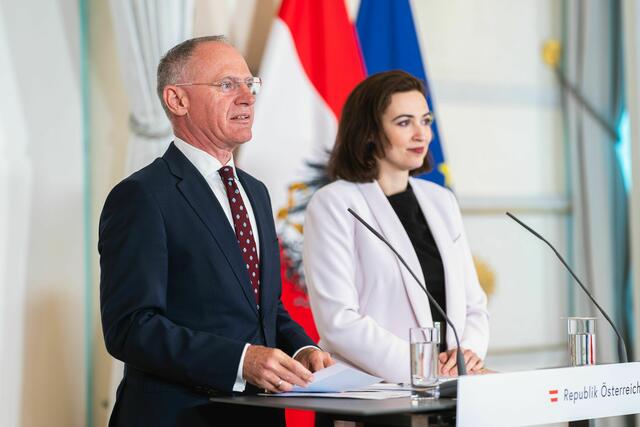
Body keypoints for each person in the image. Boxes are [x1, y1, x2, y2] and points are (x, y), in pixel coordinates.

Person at [99, 35, 332, 427]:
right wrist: (241, 361)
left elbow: (264, 307)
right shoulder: (141, 196)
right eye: (227, 85)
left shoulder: (254, 191)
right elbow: (131, 327)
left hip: (256, 416)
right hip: (180, 416)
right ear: (177, 100)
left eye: (249, 84)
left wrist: (301, 348)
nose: (247, 97)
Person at [303, 70, 489, 384]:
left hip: (450, 386)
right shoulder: (334, 203)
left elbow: (474, 304)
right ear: (370, 132)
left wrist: (466, 352)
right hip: (372, 393)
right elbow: (339, 321)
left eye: (426, 120)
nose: (422, 134)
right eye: (404, 122)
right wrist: (421, 367)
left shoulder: (441, 201)